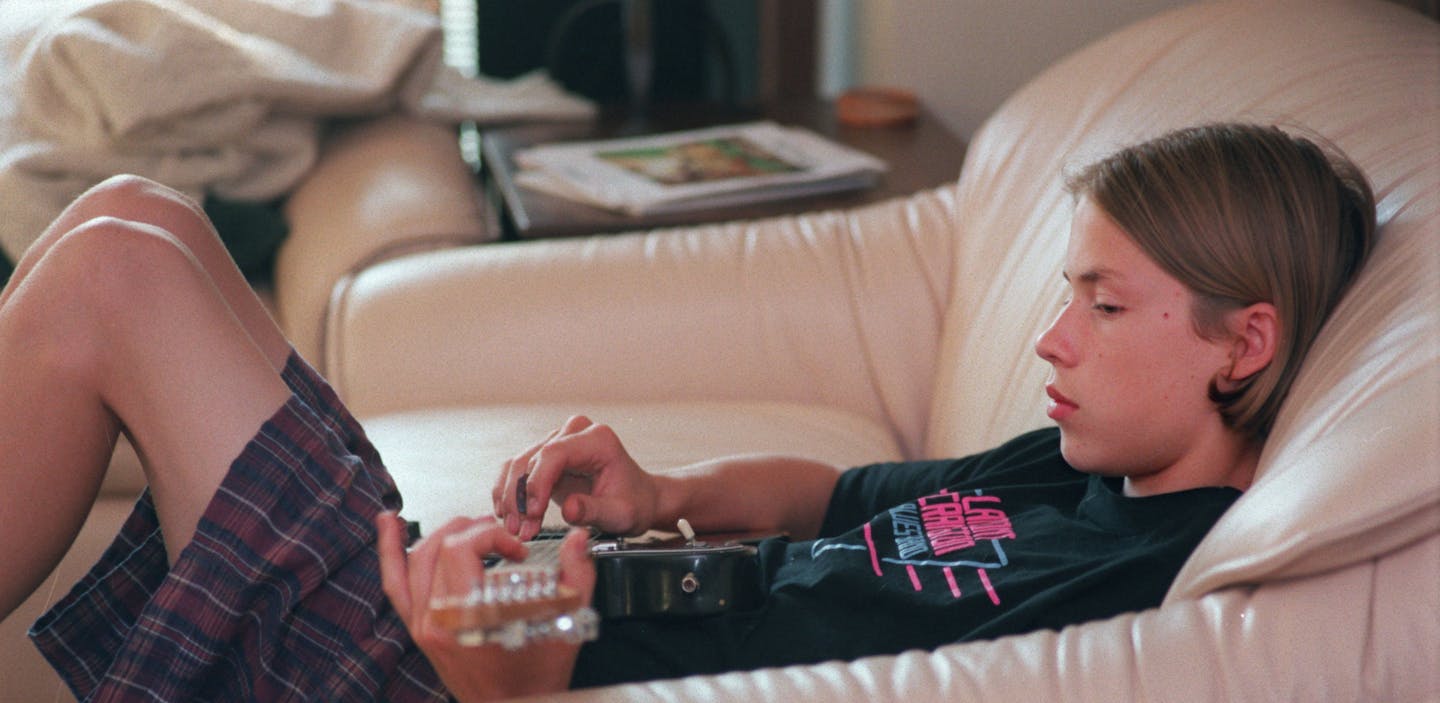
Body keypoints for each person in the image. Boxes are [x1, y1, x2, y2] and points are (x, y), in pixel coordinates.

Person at [0, 123, 1373, 702]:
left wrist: (505, 675)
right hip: (520, 615)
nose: (1051, 337)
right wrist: (664, 495)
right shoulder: (1077, 473)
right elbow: (833, 497)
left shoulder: (1145, 596)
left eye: (1107, 307)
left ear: (1242, 343)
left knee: (117, 274)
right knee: (146, 215)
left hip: (462, 683)